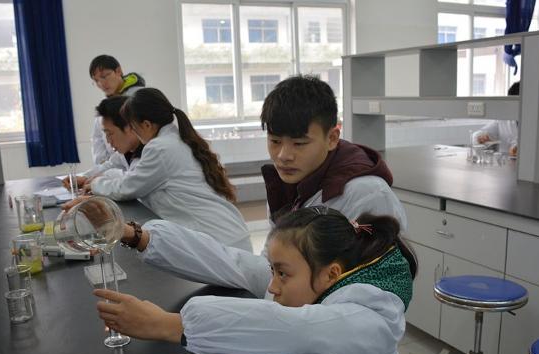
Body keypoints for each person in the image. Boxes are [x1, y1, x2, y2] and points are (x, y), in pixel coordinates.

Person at [94, 207, 417, 354]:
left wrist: (169, 325)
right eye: (273, 270)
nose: (273, 285)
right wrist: (136, 235)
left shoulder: (367, 316)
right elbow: (232, 261)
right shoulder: (315, 278)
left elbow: (295, 328)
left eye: (282, 273)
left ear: (331, 274)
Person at [114, 75, 406, 295]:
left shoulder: (366, 195)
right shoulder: (292, 184)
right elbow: (268, 271)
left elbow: (372, 300)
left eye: (299, 143)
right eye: (275, 141)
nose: (283, 155)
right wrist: (142, 238)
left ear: (332, 137)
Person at [78, 87, 252, 251]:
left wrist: (95, 184)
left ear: (147, 125)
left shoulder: (160, 148)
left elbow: (127, 188)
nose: (134, 133)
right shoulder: (176, 139)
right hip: (224, 233)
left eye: (134, 128)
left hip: (220, 239)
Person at [89, 55, 145, 165]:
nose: (101, 84)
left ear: (118, 71)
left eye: (104, 76)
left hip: (136, 159)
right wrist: (102, 161)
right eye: (96, 80)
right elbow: (97, 137)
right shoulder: (105, 104)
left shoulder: (138, 97)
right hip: (114, 164)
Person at [473, 81, 520, 158]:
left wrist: (517, 148)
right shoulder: (504, 120)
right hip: (505, 163)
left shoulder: (537, 122)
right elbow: (478, 135)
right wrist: (480, 137)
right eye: (511, 102)